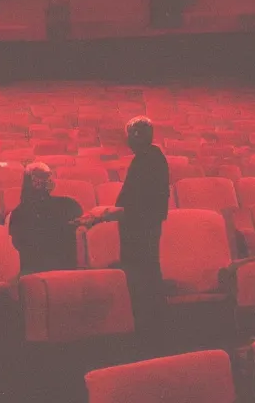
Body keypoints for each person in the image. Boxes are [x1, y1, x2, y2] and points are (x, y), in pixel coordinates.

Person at [73, 116, 170, 342]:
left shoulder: (146, 160)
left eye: (130, 135)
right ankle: (153, 333)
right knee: (147, 277)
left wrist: (103, 215)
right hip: (144, 228)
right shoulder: (153, 158)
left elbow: (137, 205)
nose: (128, 140)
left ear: (136, 136)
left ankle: (148, 336)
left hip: (140, 231)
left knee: (142, 281)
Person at [8, 162, 84, 274]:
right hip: (37, 271)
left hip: (62, 269)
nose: (47, 180)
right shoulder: (19, 213)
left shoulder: (67, 205)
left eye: (48, 176)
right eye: (41, 177)